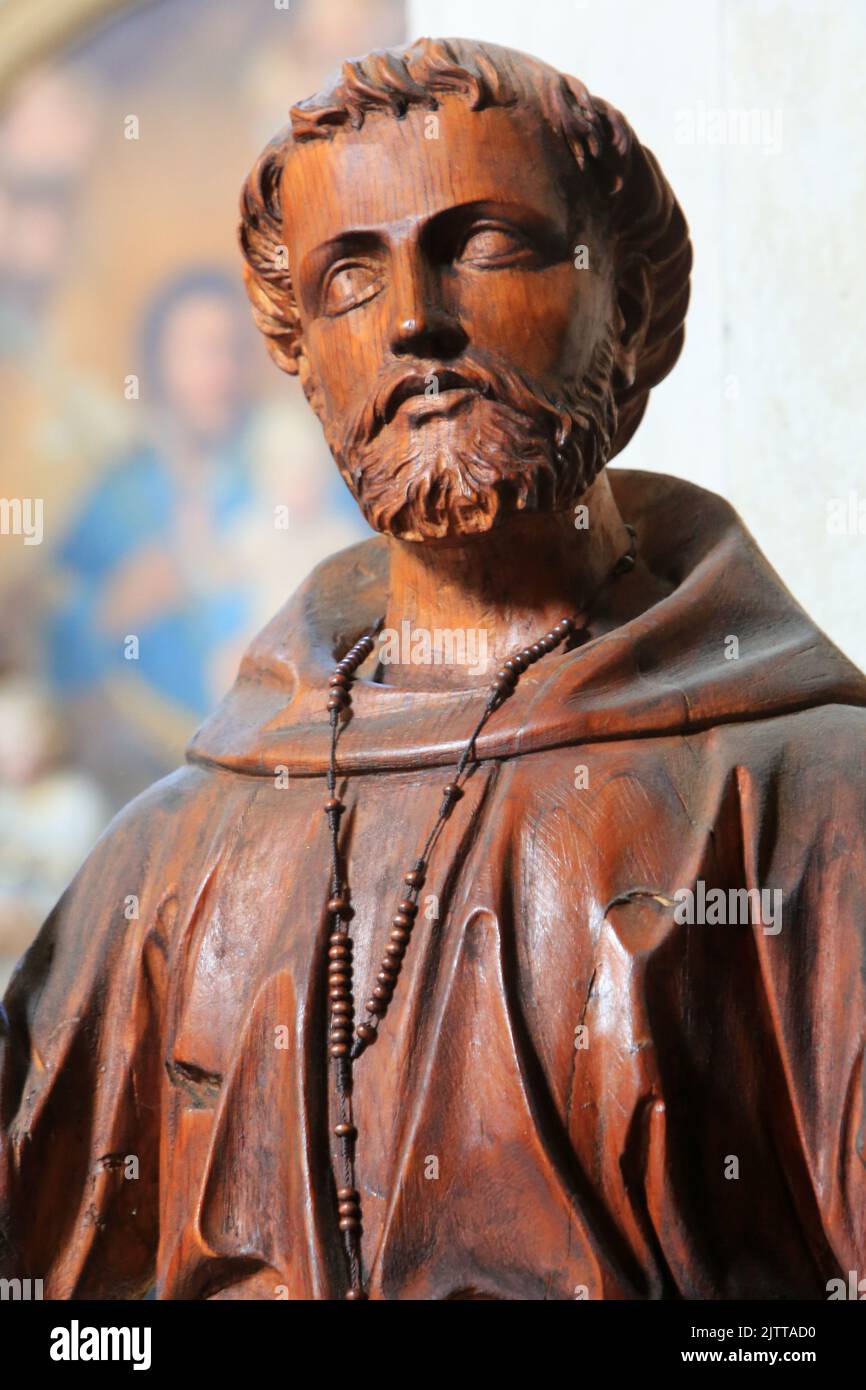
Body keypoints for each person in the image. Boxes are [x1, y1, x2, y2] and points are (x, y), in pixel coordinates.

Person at [1, 38, 864, 1301]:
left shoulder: (810, 808)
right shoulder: (172, 859)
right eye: (349, 275)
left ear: (628, 306)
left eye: (485, 243)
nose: (414, 320)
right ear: (298, 353)